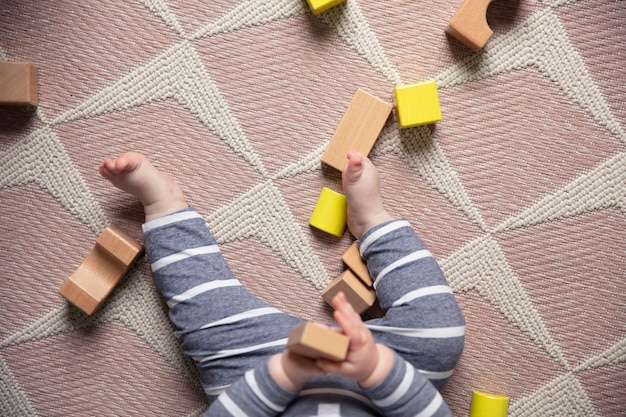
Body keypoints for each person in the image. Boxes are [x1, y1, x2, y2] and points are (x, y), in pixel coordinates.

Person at [99, 151, 465, 416]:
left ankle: (165, 208)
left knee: (207, 318)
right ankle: (373, 222)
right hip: (394, 377)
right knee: (439, 330)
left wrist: (286, 373)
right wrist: (378, 369)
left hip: (260, 373)